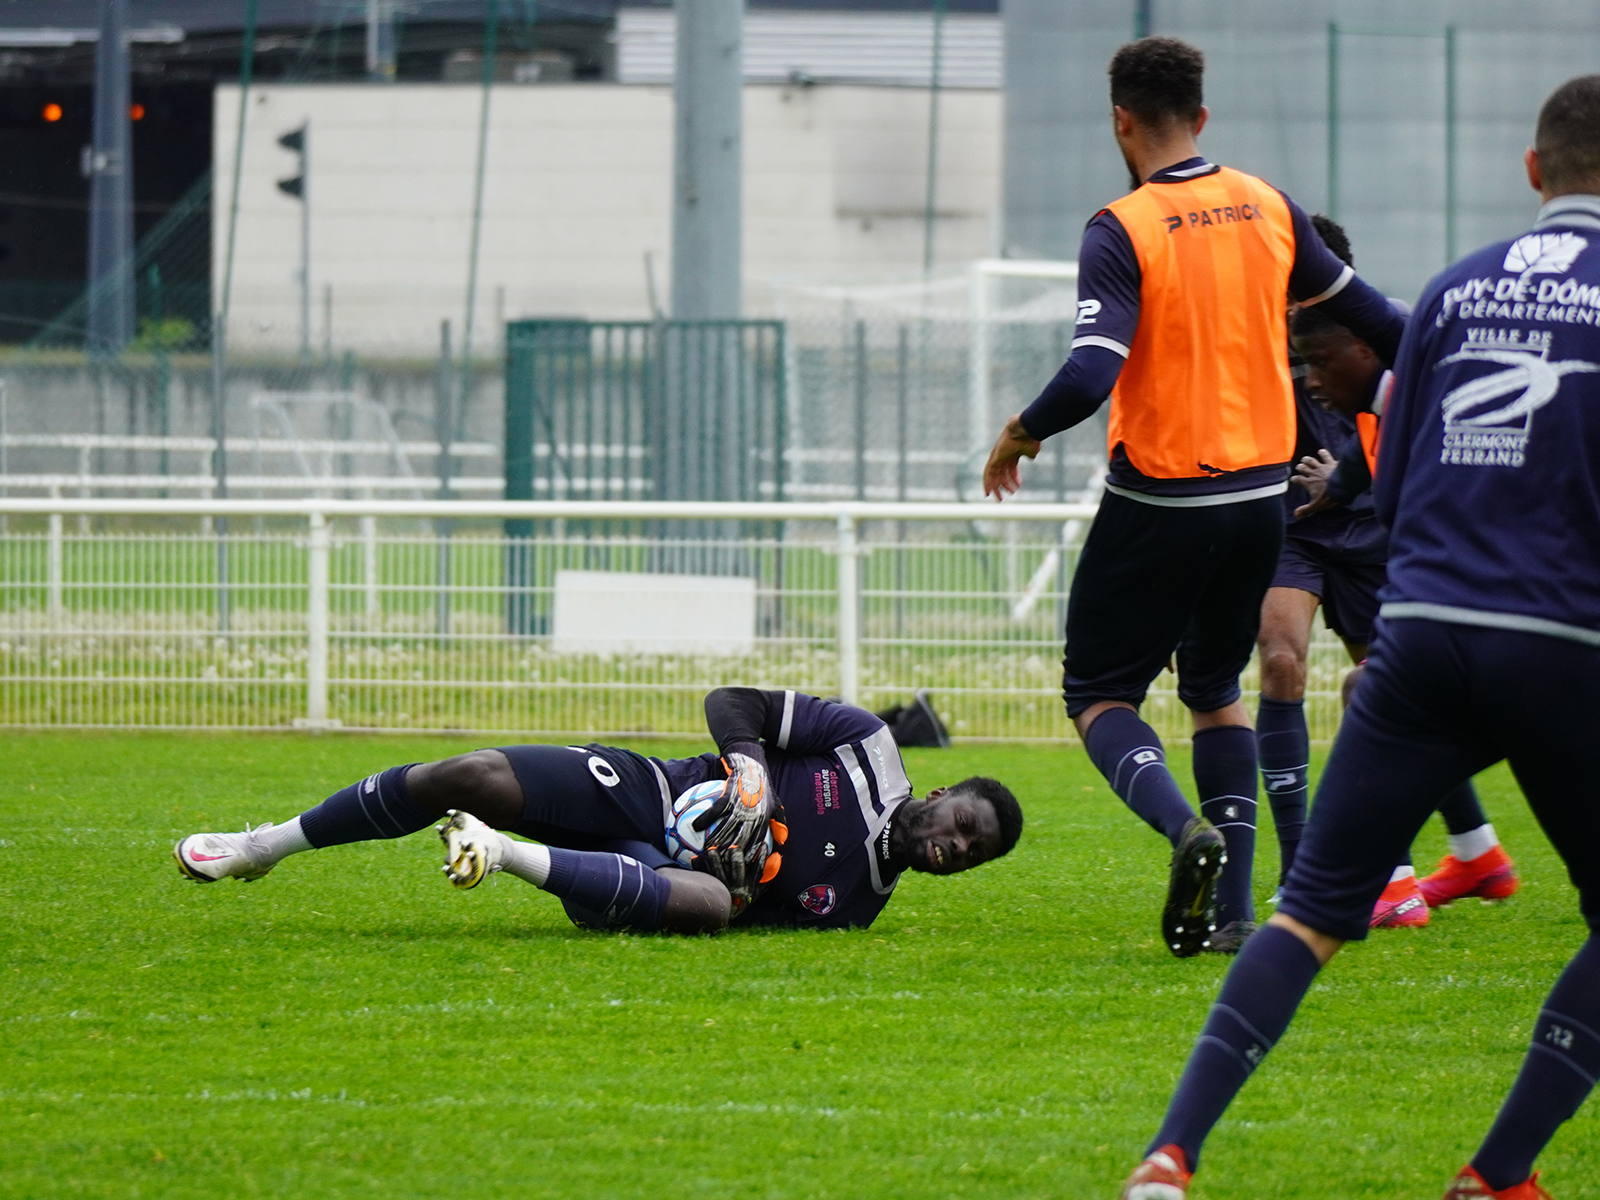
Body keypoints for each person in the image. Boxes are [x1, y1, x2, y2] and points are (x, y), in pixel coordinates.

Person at [1120, 74, 1600, 1200]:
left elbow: (1405, 458)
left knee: (1308, 915)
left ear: (1532, 173)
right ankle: (1498, 1172)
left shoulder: (1448, 291)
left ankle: (1168, 1154)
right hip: (1559, 642)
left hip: (1425, 634)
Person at [982, 37, 1404, 957]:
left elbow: (1094, 369)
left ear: (1121, 122)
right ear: (1202, 117)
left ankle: (1186, 832)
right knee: (1216, 689)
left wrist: (1021, 430)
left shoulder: (1122, 225)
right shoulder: (1269, 206)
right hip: (1262, 501)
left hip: (1161, 502)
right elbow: (1386, 326)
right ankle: (1235, 916)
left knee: (1099, 692)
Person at [174, 687, 1024, 934]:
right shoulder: (866, 747)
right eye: (963, 827)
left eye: (970, 856)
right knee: (469, 770)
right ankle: (266, 845)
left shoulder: (857, 908)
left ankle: (498, 854)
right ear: (945, 797)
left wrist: (738, 877)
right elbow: (734, 700)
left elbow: (739, 913)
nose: (954, 847)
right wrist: (752, 778)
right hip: (650, 789)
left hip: (644, 877)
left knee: (702, 906)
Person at [1273, 293, 1519, 929]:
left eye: (1320, 361)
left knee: (1385, 692)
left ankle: (1398, 882)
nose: (1312, 378)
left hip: (1506, 606)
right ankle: (1464, 859)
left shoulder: (1434, 372)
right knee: (1336, 677)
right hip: (1300, 525)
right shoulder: (1410, 379)